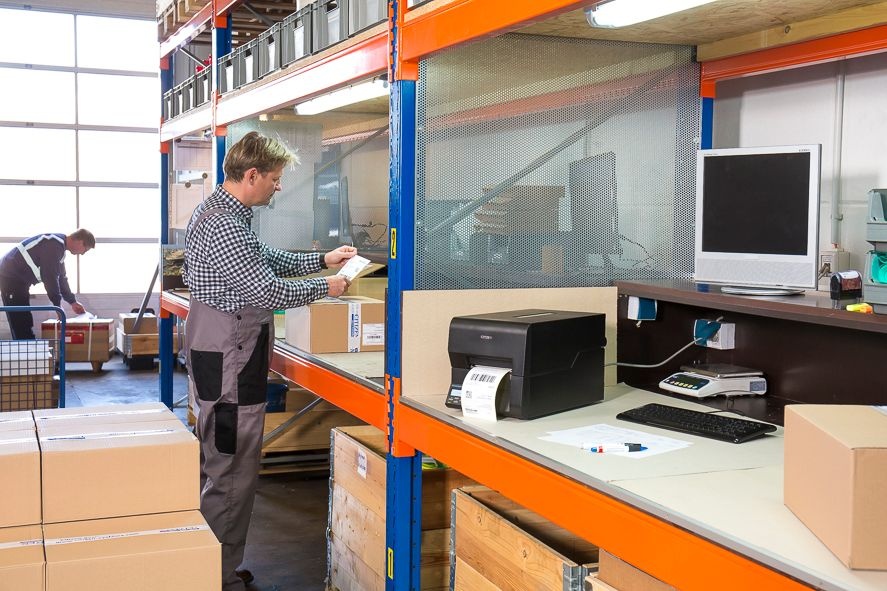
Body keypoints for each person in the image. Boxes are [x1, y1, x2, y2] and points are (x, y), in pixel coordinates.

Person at [183, 131, 355, 591]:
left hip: (221, 348)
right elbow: (266, 290)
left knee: (223, 461)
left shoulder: (225, 214)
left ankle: (215, 562)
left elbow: (263, 259)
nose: (279, 187)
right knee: (233, 465)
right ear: (252, 174)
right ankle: (216, 575)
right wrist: (328, 286)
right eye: (275, 179)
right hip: (230, 354)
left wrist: (321, 259)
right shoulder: (224, 222)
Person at [0, 229, 94, 340]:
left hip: (19, 281)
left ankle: (29, 347)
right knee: (20, 319)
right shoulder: (53, 245)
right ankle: (26, 349)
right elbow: (49, 277)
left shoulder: (59, 249)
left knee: (24, 317)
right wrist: (57, 306)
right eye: (85, 250)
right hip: (10, 277)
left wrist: (72, 301)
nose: (82, 254)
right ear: (80, 241)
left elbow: (61, 279)